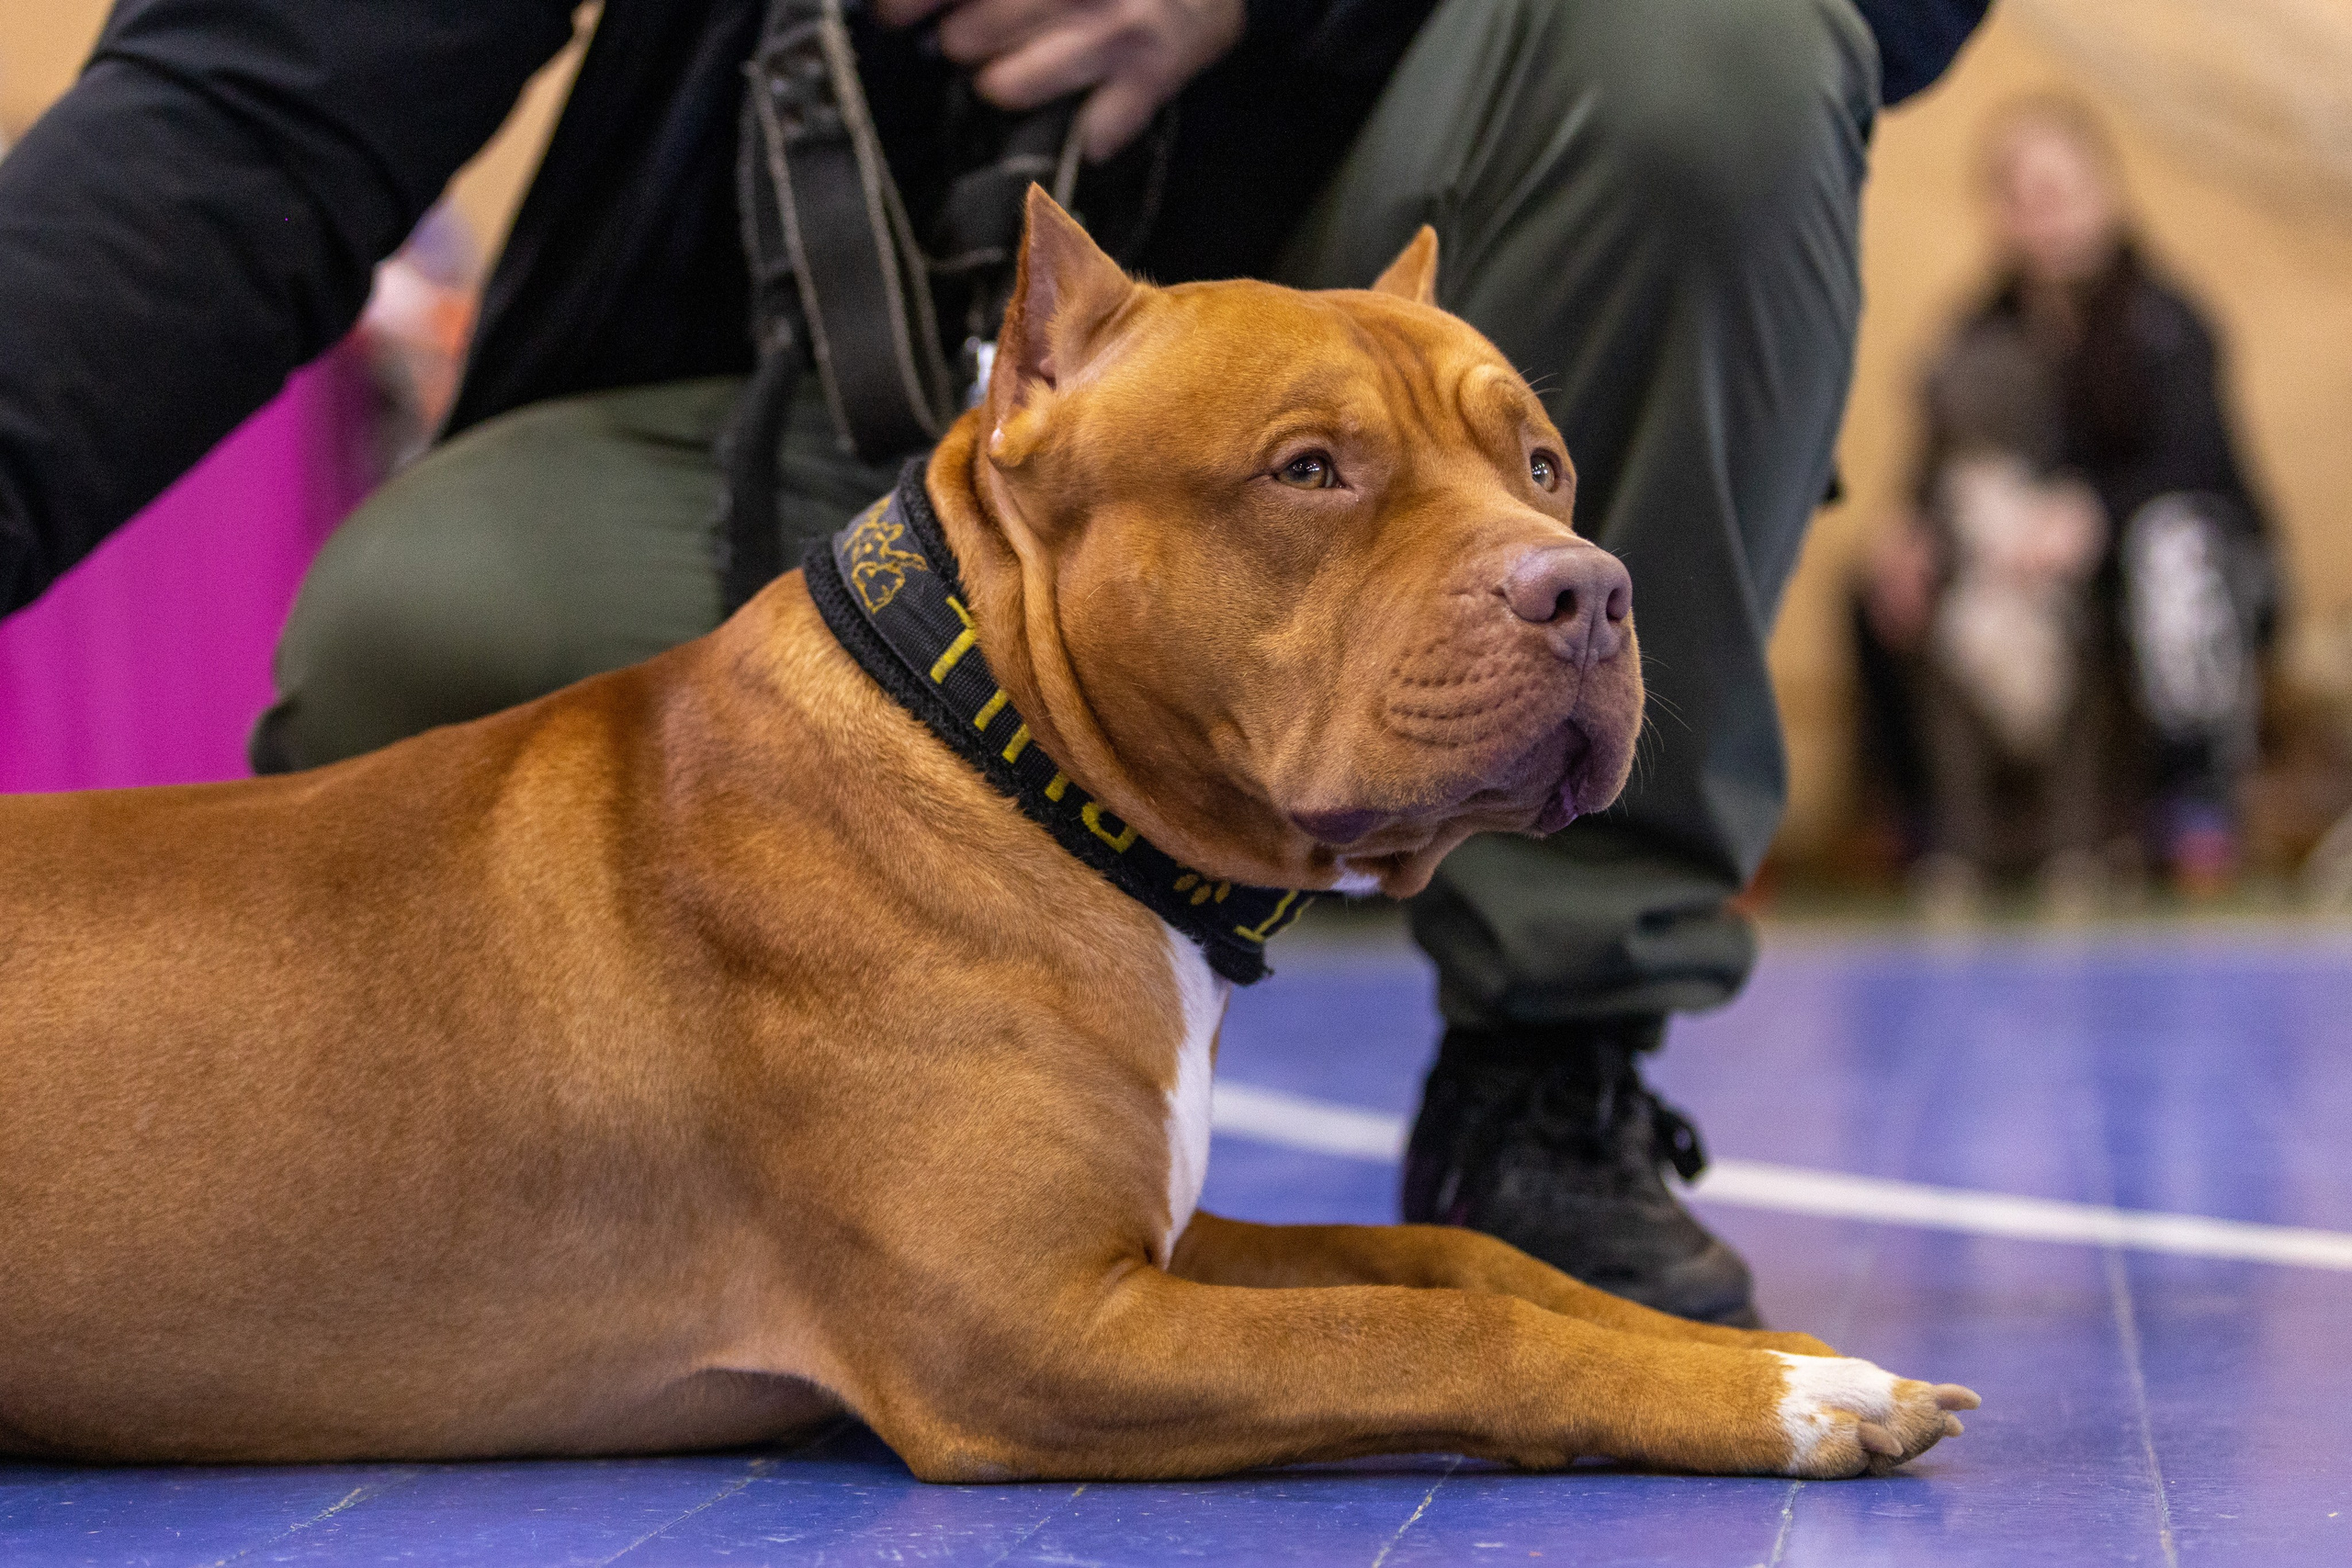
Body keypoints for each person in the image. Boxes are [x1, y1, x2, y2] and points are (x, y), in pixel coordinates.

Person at [0, 0, 1990, 1325]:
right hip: (784, 404)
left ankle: (1552, 1063)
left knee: (1712, 45)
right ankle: (664, 1228)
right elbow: (247, 104)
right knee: (409, 645)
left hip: (1358, 310)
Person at [1859, 96, 2278, 908]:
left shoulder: (2168, 320)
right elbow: (1937, 464)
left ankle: (2189, 800)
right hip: (2022, 558)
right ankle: (1924, 816)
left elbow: (2200, 469)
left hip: (2178, 562)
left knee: (2172, 548)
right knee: (1878, 583)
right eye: (2023, 196)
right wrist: (1908, 532)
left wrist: (2094, 517)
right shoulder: (1978, 327)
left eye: (2061, 191)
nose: (2044, 215)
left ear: (2106, 193)